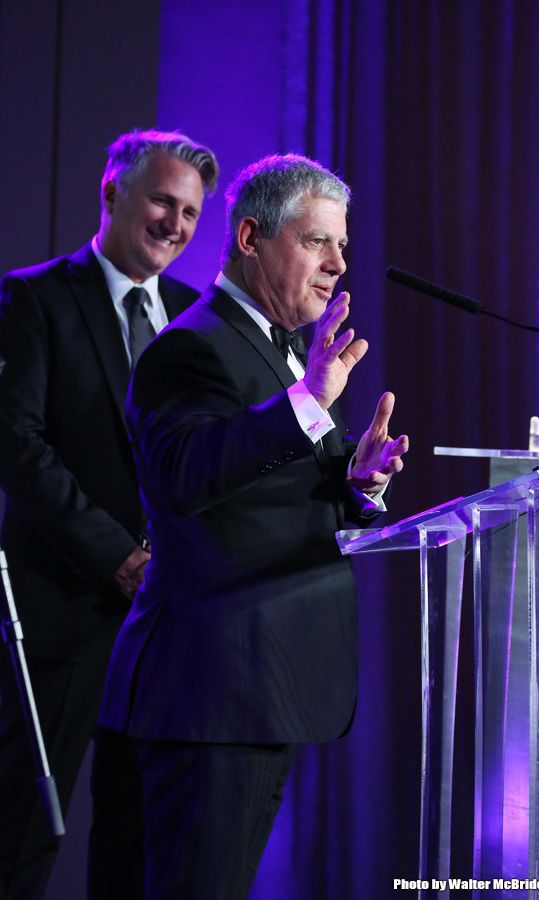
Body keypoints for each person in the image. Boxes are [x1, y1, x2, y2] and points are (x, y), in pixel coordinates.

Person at [98, 153, 409, 899]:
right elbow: (186, 478)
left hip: (263, 690)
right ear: (250, 237)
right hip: (211, 695)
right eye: (316, 243)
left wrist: (358, 484)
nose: (338, 264)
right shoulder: (190, 348)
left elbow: (276, 497)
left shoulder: (288, 357)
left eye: (342, 245)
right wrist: (306, 405)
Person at [0, 129, 218, 900]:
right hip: (65, 613)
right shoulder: (35, 297)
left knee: (135, 846)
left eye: (191, 213)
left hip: (163, 629)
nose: (176, 225)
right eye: (163, 200)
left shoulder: (197, 317)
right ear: (112, 194)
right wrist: (115, 557)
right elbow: (18, 448)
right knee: (23, 836)